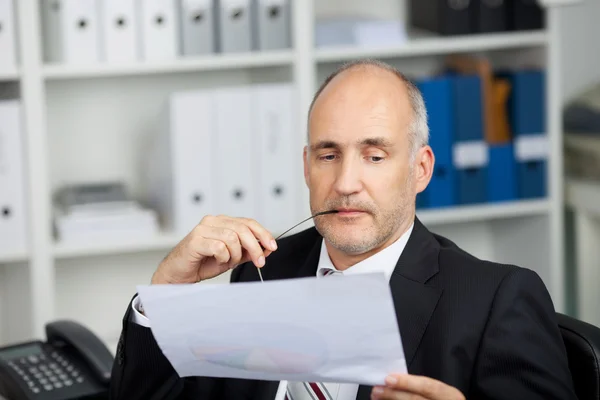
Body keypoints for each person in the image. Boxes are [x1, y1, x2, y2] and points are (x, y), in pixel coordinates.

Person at [109, 59, 577, 400]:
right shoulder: (260, 269)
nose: (346, 183)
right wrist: (164, 297)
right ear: (307, 166)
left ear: (420, 169)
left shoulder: (497, 299)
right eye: (329, 155)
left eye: (375, 156)